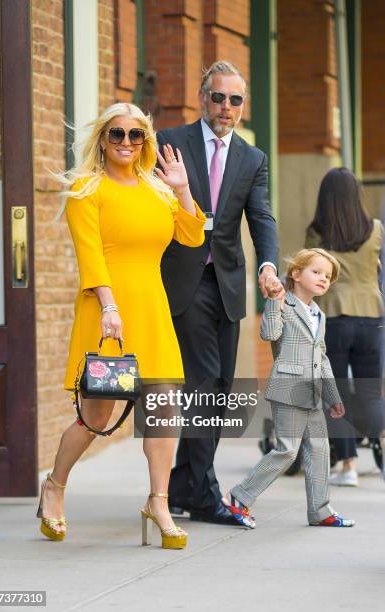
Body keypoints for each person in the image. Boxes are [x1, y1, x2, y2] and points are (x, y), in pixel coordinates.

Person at [36, 102, 206, 549]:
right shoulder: (85, 189)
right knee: (96, 416)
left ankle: (159, 502)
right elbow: (90, 256)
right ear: (103, 139)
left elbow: (192, 236)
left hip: (151, 310)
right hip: (105, 310)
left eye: (136, 134)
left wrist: (183, 189)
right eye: (117, 134)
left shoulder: (159, 190)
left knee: (165, 408)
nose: (127, 142)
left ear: (146, 140)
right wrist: (110, 308)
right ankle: (54, 486)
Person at [157, 60, 282, 526]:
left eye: (235, 100)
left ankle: (183, 484)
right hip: (183, 280)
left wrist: (269, 264)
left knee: (222, 388)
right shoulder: (170, 142)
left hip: (227, 284)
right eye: (218, 97)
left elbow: (261, 219)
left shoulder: (253, 158)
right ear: (201, 97)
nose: (226, 107)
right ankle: (206, 496)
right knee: (202, 381)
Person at [223, 248, 355, 528]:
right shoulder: (282, 303)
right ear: (296, 274)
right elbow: (269, 334)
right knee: (287, 450)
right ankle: (240, 497)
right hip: (289, 388)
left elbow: (323, 358)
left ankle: (320, 511)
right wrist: (273, 302)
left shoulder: (319, 314)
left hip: (315, 394)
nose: (323, 279)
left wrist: (334, 396)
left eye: (328, 276)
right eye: (316, 272)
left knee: (319, 451)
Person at [305, 167, 385, 487]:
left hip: (333, 320)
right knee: (371, 395)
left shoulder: (318, 234)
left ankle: (348, 466)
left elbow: (309, 279)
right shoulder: (377, 230)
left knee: (334, 395)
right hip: (370, 318)